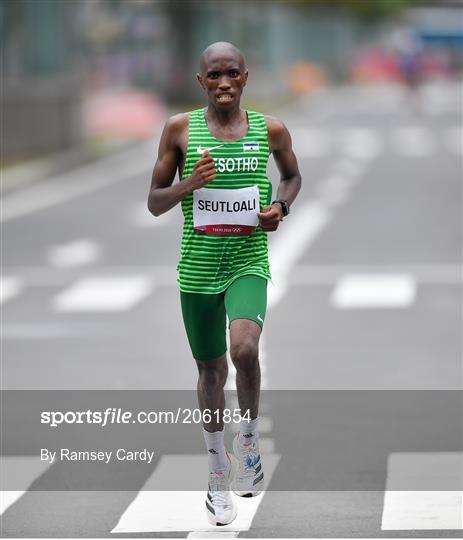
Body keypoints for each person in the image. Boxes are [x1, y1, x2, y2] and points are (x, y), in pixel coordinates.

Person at [148, 41, 301, 526]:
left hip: (247, 260)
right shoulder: (179, 130)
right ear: (201, 82)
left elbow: (292, 177)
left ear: (246, 77)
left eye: (232, 74)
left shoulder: (270, 129)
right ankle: (218, 468)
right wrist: (188, 185)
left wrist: (279, 207)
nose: (224, 84)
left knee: (245, 350)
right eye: (214, 76)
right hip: (197, 269)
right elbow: (154, 201)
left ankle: (249, 438)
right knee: (211, 372)